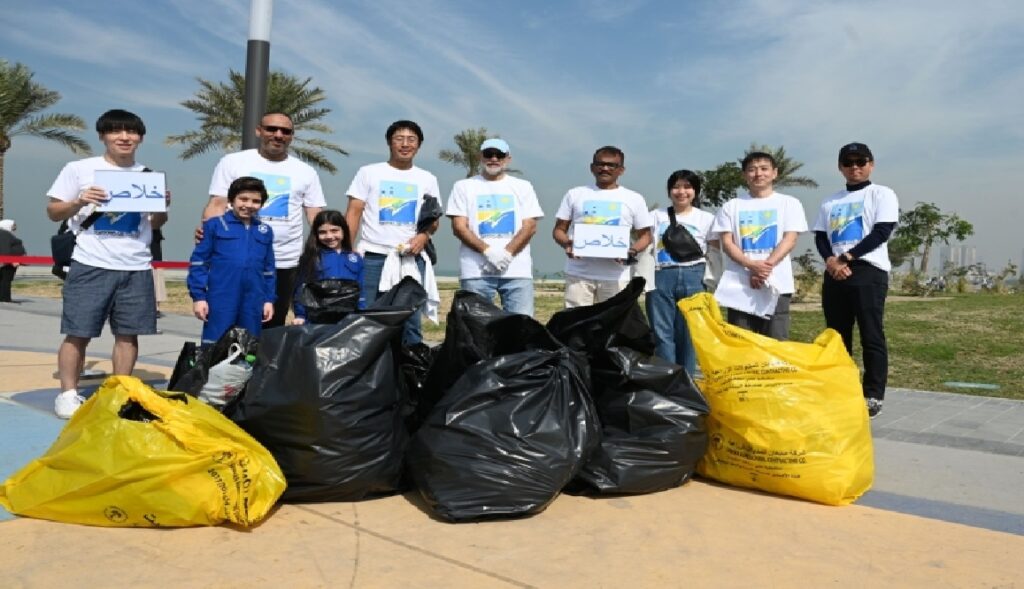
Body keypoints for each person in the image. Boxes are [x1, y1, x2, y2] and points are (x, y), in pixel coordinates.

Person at [45, 109, 169, 419]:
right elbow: (54, 211)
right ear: (103, 136)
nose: (124, 137)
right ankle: (68, 394)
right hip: (90, 263)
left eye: (131, 132)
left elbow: (155, 224)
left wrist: (162, 205)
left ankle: (121, 391)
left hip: (137, 265)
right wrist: (80, 200)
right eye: (116, 131)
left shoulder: (148, 176)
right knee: (78, 331)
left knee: (129, 334)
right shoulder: (79, 169)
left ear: (140, 137)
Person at [202, 112, 325, 327]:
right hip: (239, 258)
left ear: (291, 136)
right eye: (271, 129)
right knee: (229, 323)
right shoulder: (233, 162)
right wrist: (207, 236)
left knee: (271, 324)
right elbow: (218, 203)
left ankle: (263, 361)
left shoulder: (305, 171)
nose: (278, 135)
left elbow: (314, 213)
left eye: (285, 131)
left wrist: (325, 249)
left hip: (286, 261)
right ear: (258, 130)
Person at [813, 142, 899, 418]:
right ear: (840, 167)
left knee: (871, 334)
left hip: (867, 271)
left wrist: (846, 257)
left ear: (871, 164)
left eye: (861, 162)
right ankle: (841, 388)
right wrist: (831, 261)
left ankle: (873, 394)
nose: (855, 168)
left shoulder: (881, 194)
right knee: (837, 335)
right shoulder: (830, 201)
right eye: (848, 163)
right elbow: (821, 236)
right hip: (835, 272)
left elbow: (881, 231)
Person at [344, 120, 441, 344]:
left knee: (410, 321)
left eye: (411, 139)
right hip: (372, 257)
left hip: (410, 259)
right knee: (366, 318)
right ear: (390, 142)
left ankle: (409, 373)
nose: (405, 144)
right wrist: (346, 252)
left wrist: (423, 236)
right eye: (399, 139)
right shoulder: (368, 173)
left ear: (419, 145)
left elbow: (433, 220)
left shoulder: (427, 178)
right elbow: (353, 213)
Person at [712, 151, 807, 340]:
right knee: (740, 343)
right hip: (740, 285)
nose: (758, 174)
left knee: (776, 342)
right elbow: (727, 242)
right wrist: (751, 265)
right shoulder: (731, 206)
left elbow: (790, 239)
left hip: (777, 283)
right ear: (744, 175)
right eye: (752, 170)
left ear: (774, 173)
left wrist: (765, 268)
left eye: (764, 169)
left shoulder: (789, 203)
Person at [446, 138, 544, 316]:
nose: (494, 159)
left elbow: (530, 226)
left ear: (508, 158)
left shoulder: (523, 187)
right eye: (488, 154)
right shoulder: (463, 186)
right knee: (476, 327)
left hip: (517, 270)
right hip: (476, 271)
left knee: (521, 326)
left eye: (499, 155)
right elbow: (459, 227)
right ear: (480, 157)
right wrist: (488, 252)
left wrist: (507, 253)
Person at [552, 146, 653, 307]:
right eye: (600, 164)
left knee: (612, 325)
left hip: (616, 276)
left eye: (611, 165)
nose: (605, 168)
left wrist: (631, 251)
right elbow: (559, 230)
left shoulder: (634, 198)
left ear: (621, 170)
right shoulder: (575, 194)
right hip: (579, 274)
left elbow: (646, 236)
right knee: (576, 324)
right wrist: (568, 244)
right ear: (592, 167)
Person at [188, 177, 276, 346]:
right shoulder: (214, 226)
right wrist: (199, 297)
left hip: (253, 298)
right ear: (231, 200)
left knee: (249, 345)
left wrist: (268, 300)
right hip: (221, 296)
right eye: (243, 199)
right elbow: (199, 263)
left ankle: (245, 373)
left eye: (256, 201)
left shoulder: (265, 231)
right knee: (215, 344)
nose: (249, 205)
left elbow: (268, 269)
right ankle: (211, 373)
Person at [646, 170, 718, 374]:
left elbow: (714, 250)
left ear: (695, 191)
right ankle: (667, 378)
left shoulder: (707, 218)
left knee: (689, 330)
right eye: (676, 187)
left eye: (687, 187)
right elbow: (645, 243)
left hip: (694, 274)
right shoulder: (655, 216)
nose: (681, 192)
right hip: (661, 275)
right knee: (662, 330)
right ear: (669, 191)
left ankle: (687, 379)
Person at [292, 209, 365, 324]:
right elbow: (301, 288)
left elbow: (361, 288)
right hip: (318, 318)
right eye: (323, 232)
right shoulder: (310, 258)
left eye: (334, 230)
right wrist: (300, 315)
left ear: (343, 231)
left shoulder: (356, 258)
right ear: (316, 234)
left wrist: (361, 313)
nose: (329, 236)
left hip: (347, 319)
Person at [0, 219, 26, 302]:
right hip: (8, 263)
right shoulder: (5, 234)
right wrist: (11, 261)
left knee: (4, 280)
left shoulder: (5, 234)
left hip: (8, 261)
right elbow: (4, 248)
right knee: (6, 280)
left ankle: (3, 297)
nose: (15, 227)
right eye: (13, 225)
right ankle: (5, 298)